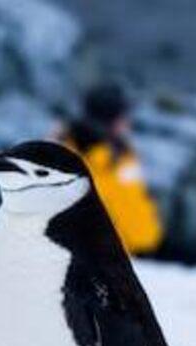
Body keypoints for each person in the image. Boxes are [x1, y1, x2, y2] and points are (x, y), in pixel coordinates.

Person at [57, 84, 163, 257]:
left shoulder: (122, 154)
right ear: (108, 120)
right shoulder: (72, 157)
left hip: (140, 250)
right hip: (102, 259)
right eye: (123, 117)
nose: (128, 122)